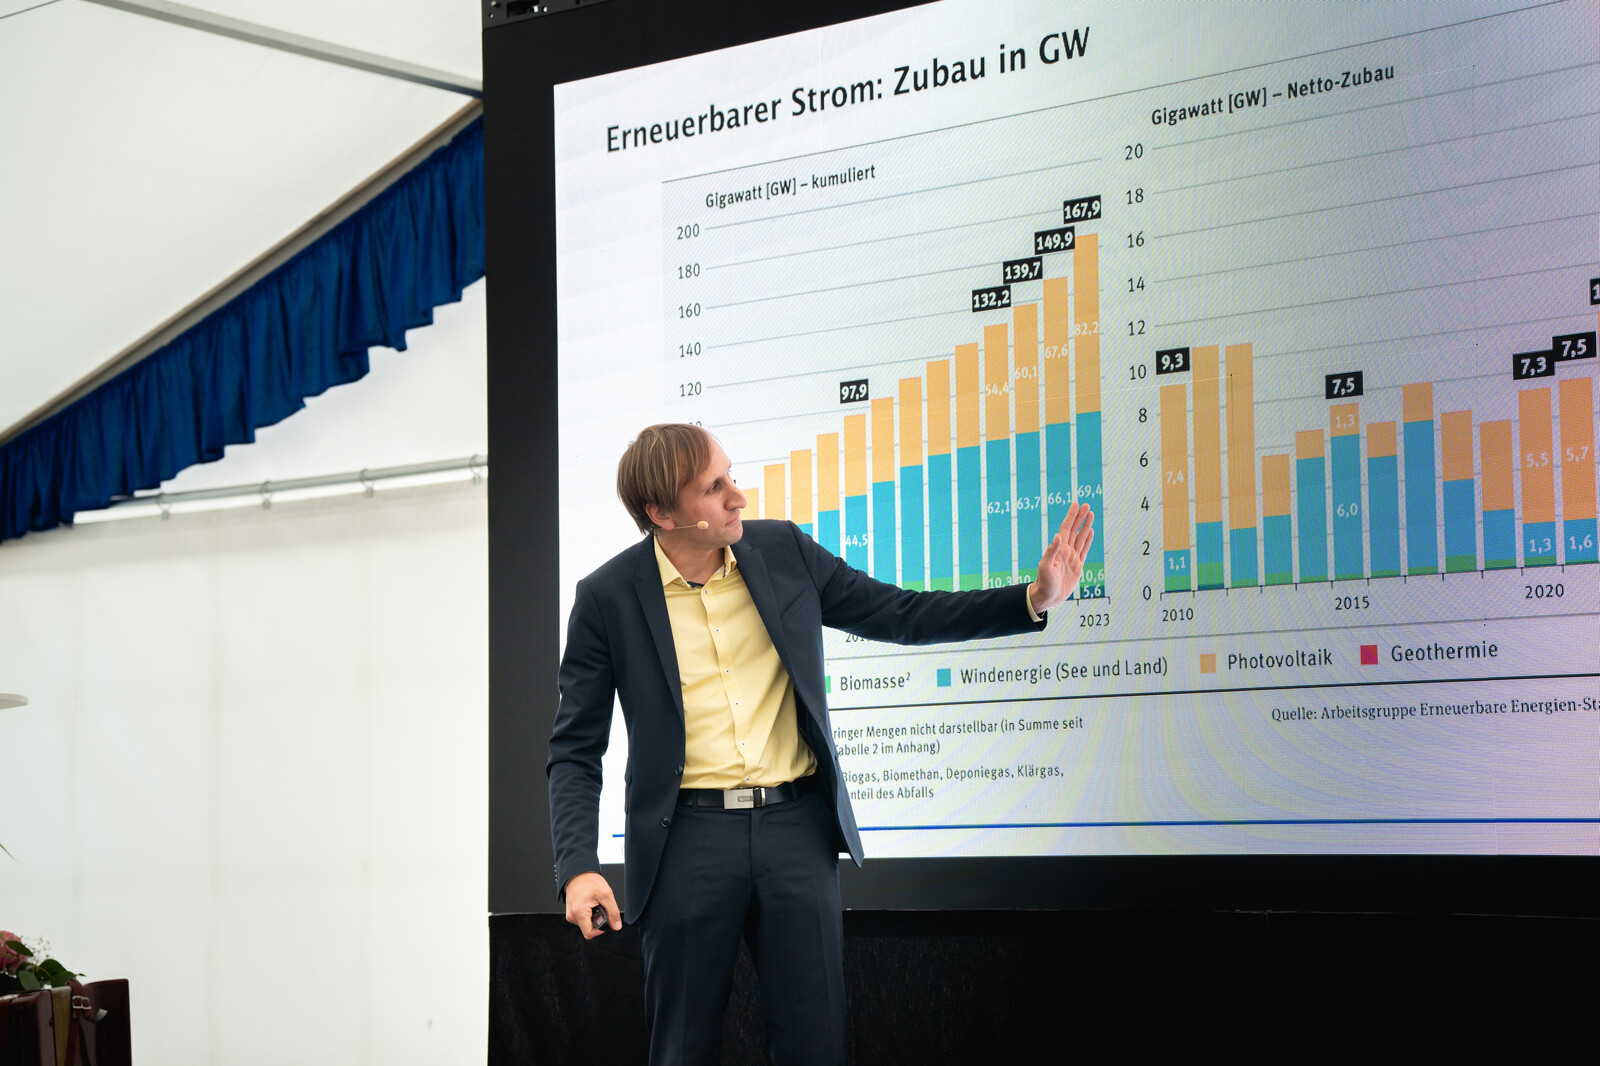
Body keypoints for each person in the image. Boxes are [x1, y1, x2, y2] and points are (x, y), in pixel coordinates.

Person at [547, 423, 1095, 1066]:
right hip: (686, 841)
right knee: (682, 1048)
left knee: (816, 1045)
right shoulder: (606, 598)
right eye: (714, 488)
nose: (737, 497)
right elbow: (576, 749)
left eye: (731, 475)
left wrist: (1031, 599)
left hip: (795, 833)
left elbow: (902, 614)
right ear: (662, 514)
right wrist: (578, 866)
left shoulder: (784, 552)